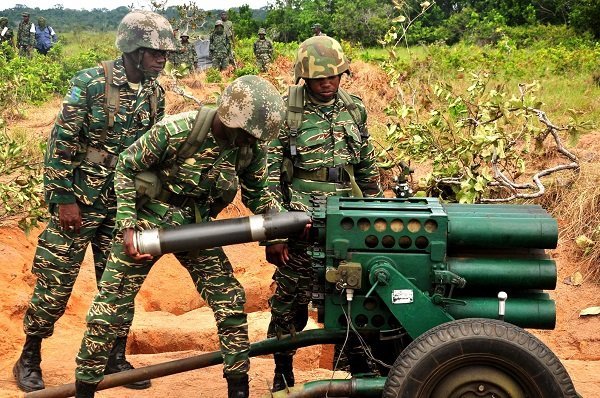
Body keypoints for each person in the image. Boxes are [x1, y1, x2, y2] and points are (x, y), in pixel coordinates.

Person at [73, 75, 287, 398]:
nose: (249, 142)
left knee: (230, 301)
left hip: (195, 226)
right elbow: (127, 166)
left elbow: (260, 196)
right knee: (109, 306)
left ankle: (238, 389)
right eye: (245, 134)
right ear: (230, 117)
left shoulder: (250, 149)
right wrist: (127, 225)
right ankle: (85, 385)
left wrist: (278, 229)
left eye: (255, 137)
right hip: (149, 220)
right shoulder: (179, 130)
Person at [12, 10, 176, 393]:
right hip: (79, 201)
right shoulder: (90, 83)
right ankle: (30, 357)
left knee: (119, 284)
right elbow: (60, 145)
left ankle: (115, 358)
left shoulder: (155, 94)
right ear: (134, 50)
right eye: (155, 52)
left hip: (123, 206)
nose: (161, 59)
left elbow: (151, 153)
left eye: (165, 54)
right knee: (55, 283)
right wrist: (64, 198)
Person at [265, 35, 383, 392]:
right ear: (304, 77)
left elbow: (365, 166)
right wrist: (274, 232)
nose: (328, 83)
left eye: (334, 76)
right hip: (301, 221)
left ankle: (359, 371)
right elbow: (268, 173)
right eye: (319, 78)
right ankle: (282, 371)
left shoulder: (354, 108)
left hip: (347, 218)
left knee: (355, 294)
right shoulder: (286, 110)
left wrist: (376, 212)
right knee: (288, 303)